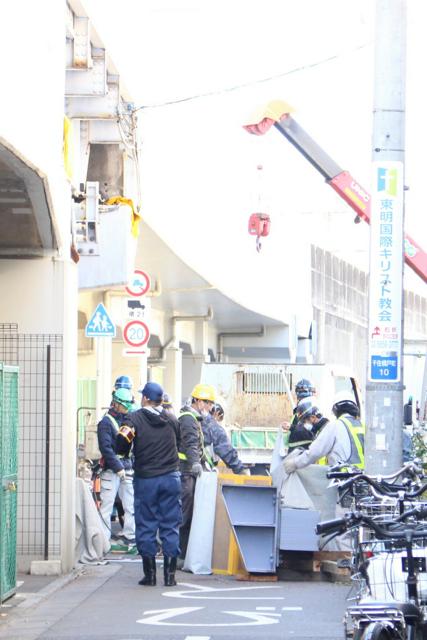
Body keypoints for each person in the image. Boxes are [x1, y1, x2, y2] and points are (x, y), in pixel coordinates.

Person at [116, 381, 182, 587]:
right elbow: (178, 441)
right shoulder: (172, 419)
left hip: (147, 479)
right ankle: (170, 577)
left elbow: (121, 443)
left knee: (146, 524)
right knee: (170, 524)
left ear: (145, 398)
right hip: (172, 478)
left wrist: (125, 452)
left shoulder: (133, 419)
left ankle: (150, 575)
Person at [177, 383, 216, 566]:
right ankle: (178, 555)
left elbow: (200, 446)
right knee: (185, 515)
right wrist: (194, 463)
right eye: (207, 403)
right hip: (185, 473)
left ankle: (182, 554)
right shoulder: (187, 418)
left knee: (188, 514)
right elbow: (191, 443)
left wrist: (207, 463)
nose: (209, 407)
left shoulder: (194, 418)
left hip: (188, 472)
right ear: (198, 401)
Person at [284, 391, 365, 473]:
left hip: (344, 477)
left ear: (336, 409)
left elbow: (315, 452)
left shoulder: (335, 426)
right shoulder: (363, 425)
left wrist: (295, 463)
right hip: (364, 478)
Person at [97, 388, 135, 546]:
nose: (127, 409)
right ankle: (103, 541)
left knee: (130, 504)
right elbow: (106, 449)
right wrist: (118, 468)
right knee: (106, 506)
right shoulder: (106, 423)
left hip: (127, 467)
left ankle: (130, 536)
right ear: (116, 404)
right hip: (112, 470)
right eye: (125, 406)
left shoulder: (127, 420)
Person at [202, 403, 250, 474]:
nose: (218, 421)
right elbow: (225, 450)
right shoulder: (214, 428)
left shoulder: (199, 420)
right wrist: (240, 468)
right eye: (220, 418)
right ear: (217, 413)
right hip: (204, 469)